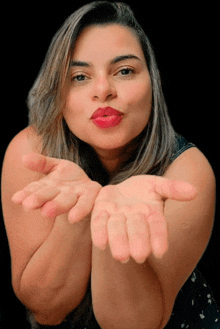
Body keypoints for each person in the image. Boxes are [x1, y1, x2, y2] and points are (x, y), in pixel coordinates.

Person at [1, 2, 219, 328]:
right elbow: (46, 309)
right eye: (79, 76)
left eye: (125, 71)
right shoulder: (32, 153)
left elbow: (133, 324)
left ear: (154, 82)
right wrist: (78, 214)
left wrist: (109, 217)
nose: (103, 91)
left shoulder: (186, 172)